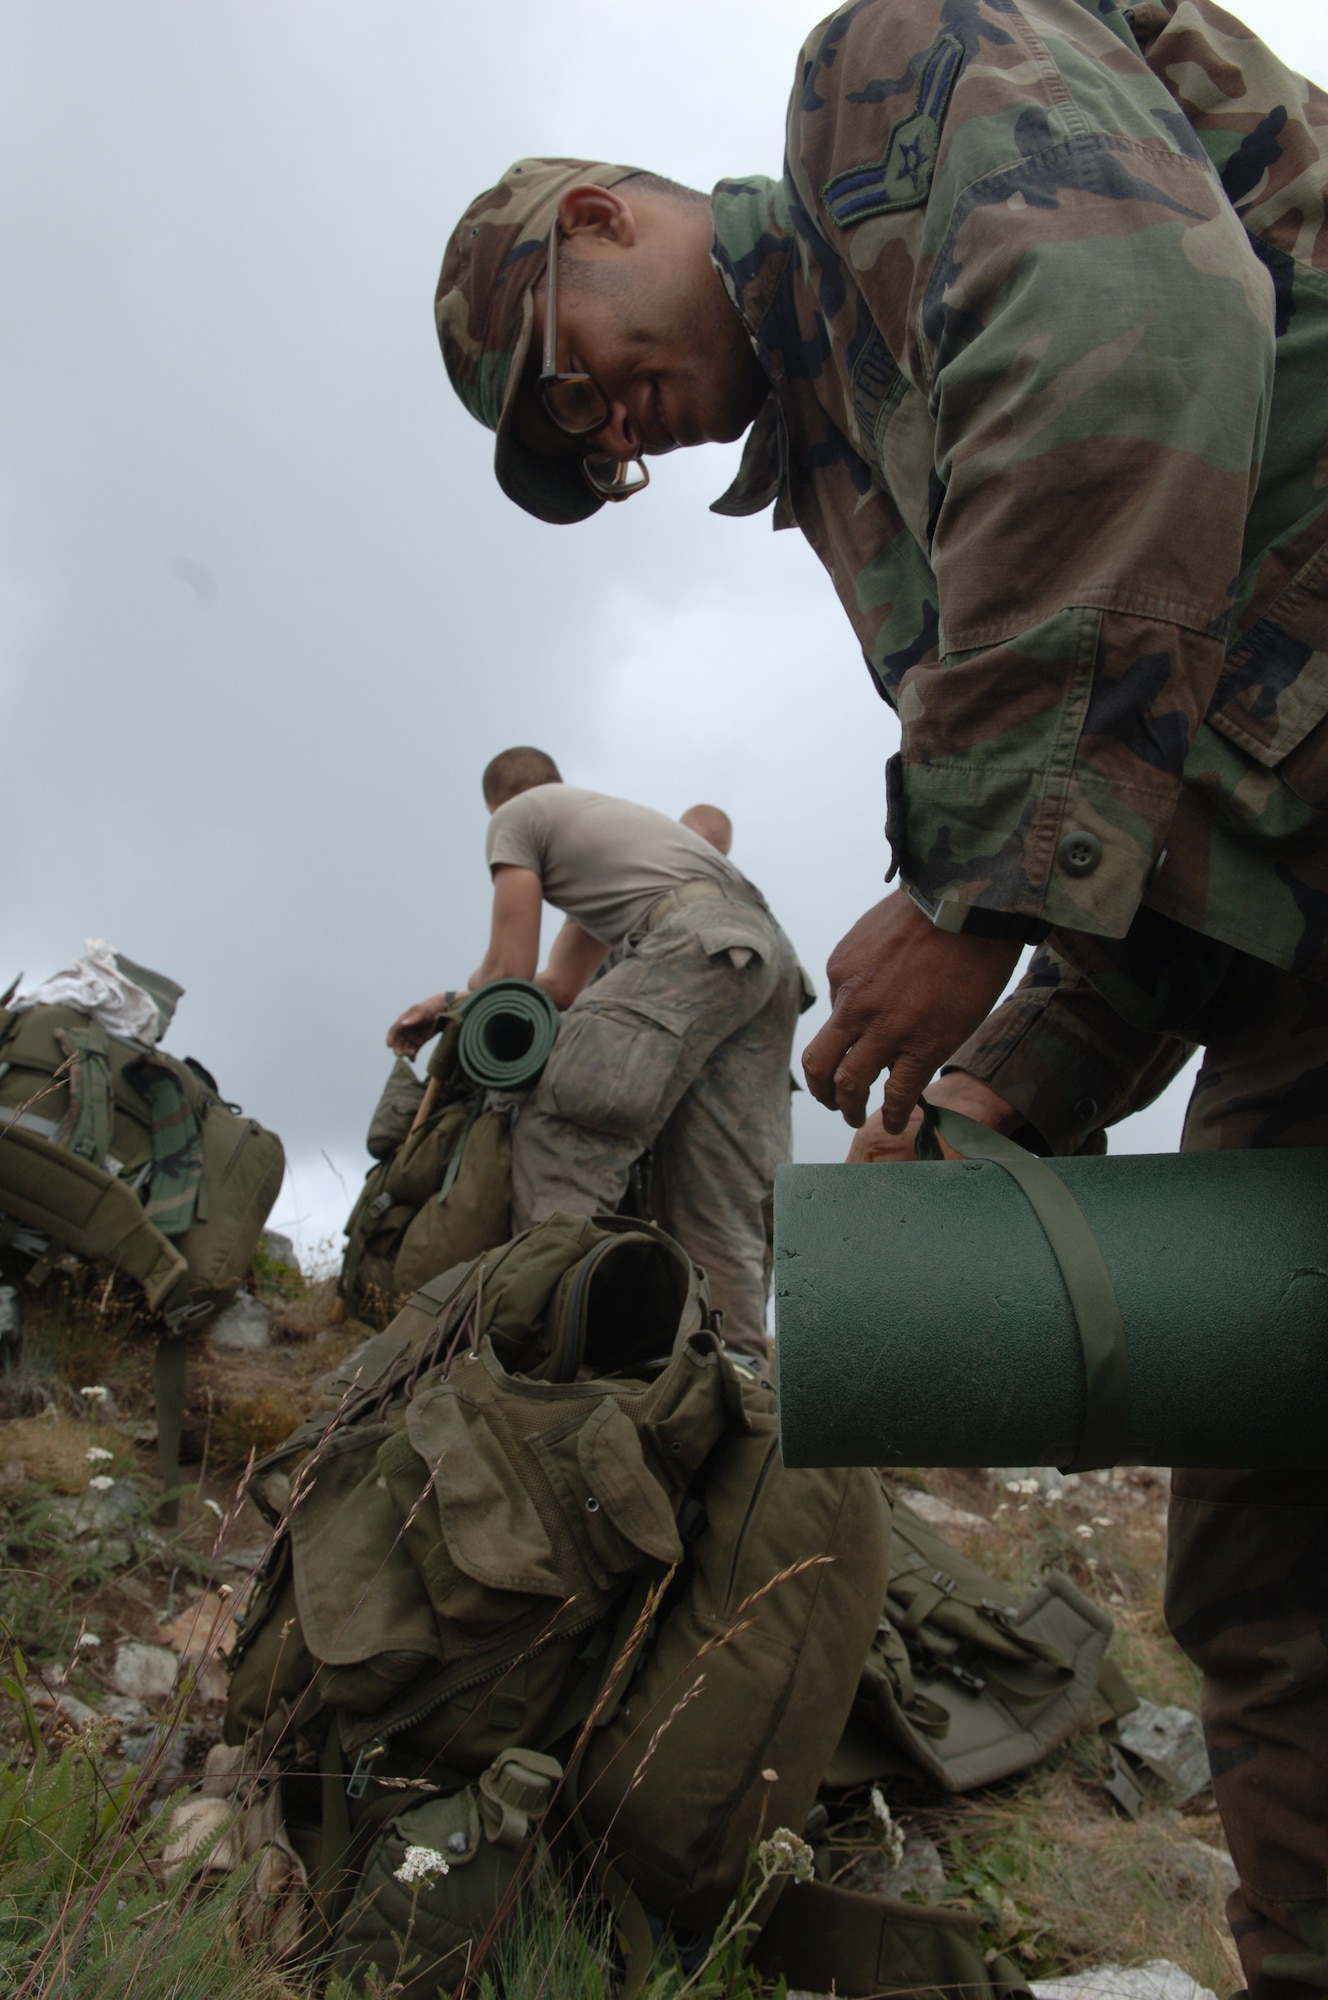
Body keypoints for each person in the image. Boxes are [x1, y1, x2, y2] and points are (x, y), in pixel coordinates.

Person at [431, 8, 1328, 1992]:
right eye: (574, 455)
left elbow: (1143, 347)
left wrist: (966, 881)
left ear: (596, 222)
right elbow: (1180, 795)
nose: (608, 437)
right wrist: (1018, 1081)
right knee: (1267, 1585)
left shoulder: (890, 80)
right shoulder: (854, 471)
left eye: (564, 386)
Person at [387, 748, 808, 1363]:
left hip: (691, 940)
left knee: (567, 1125)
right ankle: (733, 1379)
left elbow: (510, 970)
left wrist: (445, 1007)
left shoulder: (518, 817)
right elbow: (558, 987)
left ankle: (546, 1359)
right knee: (714, 1187)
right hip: (767, 962)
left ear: (493, 805)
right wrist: (453, 998)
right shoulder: (622, 851)